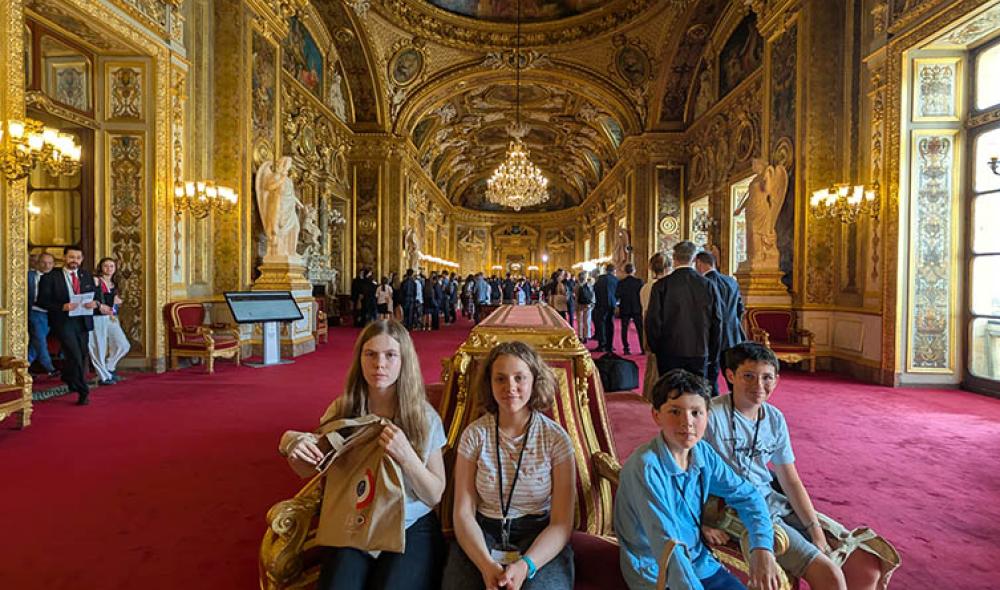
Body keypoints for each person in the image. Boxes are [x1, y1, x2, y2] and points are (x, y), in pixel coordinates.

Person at [279, 320, 447, 590]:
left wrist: (407, 456)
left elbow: (434, 494)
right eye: (371, 354)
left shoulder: (424, 417)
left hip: (408, 523)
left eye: (390, 355)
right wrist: (292, 442)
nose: (379, 364)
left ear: (404, 361)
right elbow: (310, 463)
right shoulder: (343, 409)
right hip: (353, 519)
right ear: (360, 359)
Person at [703, 343, 883, 590]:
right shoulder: (710, 416)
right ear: (731, 376)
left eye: (767, 377)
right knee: (830, 576)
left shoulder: (774, 418)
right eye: (749, 376)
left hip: (773, 500)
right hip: (734, 509)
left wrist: (815, 528)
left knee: (865, 565)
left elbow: (790, 479)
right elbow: (687, 473)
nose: (759, 385)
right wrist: (701, 524)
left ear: (777, 380)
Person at [614, 369, 781, 590]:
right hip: (657, 572)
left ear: (707, 415)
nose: (687, 422)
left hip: (699, 562)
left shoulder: (702, 451)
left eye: (696, 412)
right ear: (656, 415)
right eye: (675, 412)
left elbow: (747, 495)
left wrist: (762, 547)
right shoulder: (645, 468)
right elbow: (667, 546)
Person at [442, 341, 576, 590]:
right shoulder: (475, 435)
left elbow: (561, 523)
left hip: (538, 535)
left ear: (534, 381)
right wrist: (486, 565)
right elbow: (463, 512)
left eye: (519, 378)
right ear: (489, 384)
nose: (510, 387)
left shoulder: (556, 439)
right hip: (482, 533)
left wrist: (526, 565)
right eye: (500, 379)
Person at [645, 241, 722, 380]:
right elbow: (716, 321)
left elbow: (653, 321)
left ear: (674, 258)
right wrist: (712, 351)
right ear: (694, 259)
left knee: (670, 388)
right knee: (696, 389)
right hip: (699, 350)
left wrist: (657, 348)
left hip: (668, 350)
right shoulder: (707, 285)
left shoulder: (661, 285)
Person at [36, 246, 99, 405]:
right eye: (71, 257)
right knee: (74, 354)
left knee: (82, 354)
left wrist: (95, 303)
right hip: (64, 321)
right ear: (64, 258)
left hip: (83, 320)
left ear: (81, 259)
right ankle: (83, 391)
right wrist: (61, 307)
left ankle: (68, 376)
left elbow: (96, 296)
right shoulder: (50, 277)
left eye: (78, 258)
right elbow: (42, 301)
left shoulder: (86, 276)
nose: (74, 261)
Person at [695, 251, 745, 395]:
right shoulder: (731, 281)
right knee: (733, 375)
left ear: (699, 263)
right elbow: (740, 309)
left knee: (710, 377)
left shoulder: (702, 283)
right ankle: (737, 402)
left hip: (710, 337)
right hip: (732, 336)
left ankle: (712, 405)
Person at [88, 257, 130, 386]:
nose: (109, 269)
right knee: (98, 348)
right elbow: (91, 298)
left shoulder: (115, 283)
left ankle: (109, 368)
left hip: (111, 317)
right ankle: (104, 376)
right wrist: (110, 301)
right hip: (97, 317)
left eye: (111, 266)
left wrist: (116, 302)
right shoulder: (96, 280)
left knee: (123, 345)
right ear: (100, 267)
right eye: (106, 266)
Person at [639, 253, 669, 400]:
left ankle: (648, 392)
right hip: (661, 325)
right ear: (667, 267)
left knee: (651, 362)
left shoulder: (645, 287)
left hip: (647, 324)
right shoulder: (665, 286)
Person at [27, 252, 58, 377]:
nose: (47, 266)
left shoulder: (56, 277)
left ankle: (24, 366)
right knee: (40, 340)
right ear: (37, 263)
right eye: (44, 263)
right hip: (35, 311)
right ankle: (49, 367)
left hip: (51, 313)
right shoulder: (29, 276)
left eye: (50, 263)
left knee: (36, 341)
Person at [615, 263, 644, 356]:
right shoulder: (639, 282)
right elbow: (642, 294)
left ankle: (626, 348)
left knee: (624, 329)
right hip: (636, 308)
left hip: (625, 308)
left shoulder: (621, 283)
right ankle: (642, 348)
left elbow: (617, 295)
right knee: (640, 330)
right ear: (634, 271)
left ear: (625, 271)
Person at [593, 263, 619, 353]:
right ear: (614, 271)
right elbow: (618, 292)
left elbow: (595, 289)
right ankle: (609, 345)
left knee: (601, 325)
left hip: (601, 304)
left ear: (606, 270)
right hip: (612, 304)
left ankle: (602, 345)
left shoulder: (600, 279)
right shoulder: (616, 280)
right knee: (610, 324)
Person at [574, 271, 594, 343]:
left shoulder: (577, 286)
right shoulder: (589, 285)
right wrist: (592, 303)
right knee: (587, 321)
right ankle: (586, 336)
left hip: (579, 305)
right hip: (587, 305)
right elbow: (592, 295)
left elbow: (575, 296)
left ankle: (580, 336)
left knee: (580, 321)